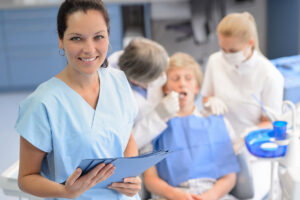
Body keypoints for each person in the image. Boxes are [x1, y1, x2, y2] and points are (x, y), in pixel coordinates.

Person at [15, 0, 141, 199]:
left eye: (98, 36)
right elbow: (26, 178)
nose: (89, 49)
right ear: (60, 39)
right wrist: (64, 191)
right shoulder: (42, 104)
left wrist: (131, 177)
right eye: (76, 38)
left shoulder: (118, 81)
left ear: (108, 36)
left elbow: (127, 137)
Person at [143, 52, 240, 200]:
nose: (182, 83)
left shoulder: (215, 122)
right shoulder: (154, 127)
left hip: (213, 194)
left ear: (196, 88)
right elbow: (150, 180)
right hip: (170, 195)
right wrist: (176, 195)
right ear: (166, 88)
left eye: (188, 78)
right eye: (175, 79)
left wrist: (209, 196)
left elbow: (229, 175)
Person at [201, 12, 284, 136]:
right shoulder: (215, 60)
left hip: (249, 142)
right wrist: (210, 102)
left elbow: (270, 122)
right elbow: (205, 98)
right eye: (223, 49)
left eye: (233, 51)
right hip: (217, 135)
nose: (227, 55)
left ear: (250, 42)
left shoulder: (270, 75)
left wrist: (252, 132)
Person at [108, 38, 180, 150]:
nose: (163, 76)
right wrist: (158, 116)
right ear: (136, 81)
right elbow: (123, 146)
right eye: (158, 75)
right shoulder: (112, 98)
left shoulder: (139, 60)